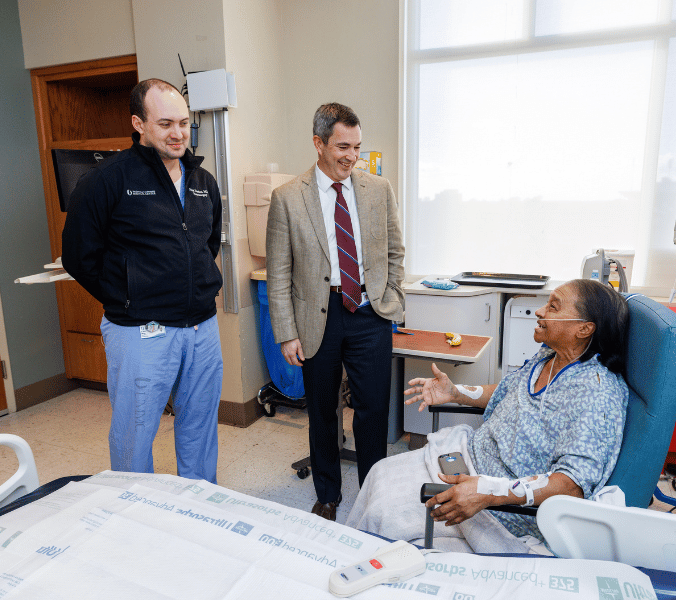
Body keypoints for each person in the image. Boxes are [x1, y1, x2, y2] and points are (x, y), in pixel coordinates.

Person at [346, 279, 629, 553]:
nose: (540, 311)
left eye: (554, 307)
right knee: (379, 472)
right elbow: (508, 390)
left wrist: (489, 492)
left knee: (385, 513)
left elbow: (571, 485)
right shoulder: (549, 356)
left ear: (584, 329)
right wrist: (455, 392)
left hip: (501, 504)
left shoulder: (596, 393)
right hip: (470, 458)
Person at [61, 79, 223, 483]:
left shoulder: (203, 183)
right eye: (165, 123)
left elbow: (205, 246)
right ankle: (136, 511)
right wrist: (128, 298)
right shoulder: (108, 179)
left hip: (202, 327)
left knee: (200, 426)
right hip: (140, 330)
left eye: (183, 123)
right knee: (135, 432)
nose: (178, 133)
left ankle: (202, 506)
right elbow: (79, 257)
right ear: (139, 123)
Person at [266, 103, 405, 521]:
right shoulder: (288, 198)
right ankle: (328, 493)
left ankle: (372, 491)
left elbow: (395, 250)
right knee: (323, 410)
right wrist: (286, 332)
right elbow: (279, 273)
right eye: (342, 146)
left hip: (369, 312)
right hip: (318, 315)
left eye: (357, 147)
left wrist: (392, 297)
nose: (351, 156)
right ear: (319, 143)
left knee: (373, 408)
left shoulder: (378, 190)